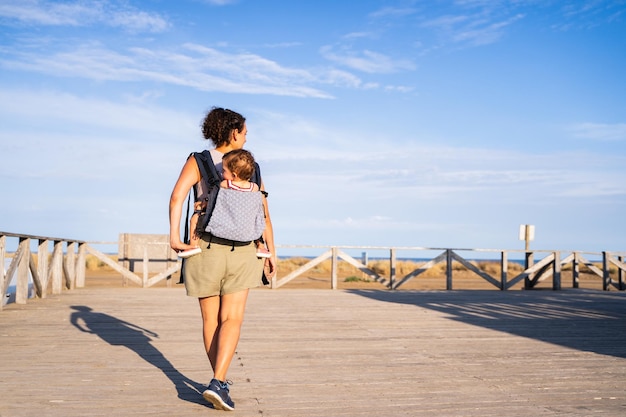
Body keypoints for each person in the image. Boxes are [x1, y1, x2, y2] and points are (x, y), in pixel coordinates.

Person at [169, 107, 276, 411]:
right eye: (244, 131)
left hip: (204, 249)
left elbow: (177, 197)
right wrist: (271, 250)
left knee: (210, 320)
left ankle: (220, 381)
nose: (246, 136)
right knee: (232, 319)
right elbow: (264, 213)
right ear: (234, 133)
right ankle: (218, 382)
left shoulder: (199, 160)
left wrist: (174, 237)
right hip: (245, 251)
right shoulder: (250, 167)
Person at [181, 149, 271, 259]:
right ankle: (261, 246)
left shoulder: (225, 184)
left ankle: (193, 245)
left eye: (224, 171)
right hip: (247, 226)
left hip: (225, 222)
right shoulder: (254, 187)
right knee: (258, 224)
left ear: (234, 175)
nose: (221, 173)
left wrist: (202, 204)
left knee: (195, 218)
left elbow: (215, 201)